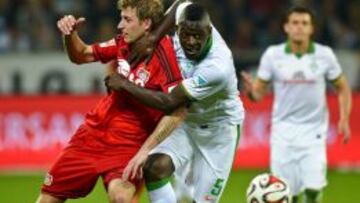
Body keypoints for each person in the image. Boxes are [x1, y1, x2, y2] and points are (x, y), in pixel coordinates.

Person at [35, 0, 183, 202]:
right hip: (92, 133)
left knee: (120, 197)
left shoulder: (166, 56)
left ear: (146, 23)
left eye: (126, 19)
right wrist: (70, 35)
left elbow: (178, 110)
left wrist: (145, 150)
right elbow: (81, 55)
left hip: (129, 142)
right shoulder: (123, 41)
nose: (119, 25)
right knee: (47, 199)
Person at [106, 2, 245, 203]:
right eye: (185, 35)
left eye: (198, 37)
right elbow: (182, 3)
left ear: (209, 32)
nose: (191, 42)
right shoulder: (187, 17)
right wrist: (153, 38)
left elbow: (169, 102)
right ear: (178, 28)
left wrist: (125, 85)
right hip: (186, 122)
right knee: (154, 168)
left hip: (218, 131)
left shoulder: (217, 67)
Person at [241, 6, 352, 203]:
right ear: (286, 27)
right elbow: (258, 94)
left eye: (304, 23)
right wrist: (251, 91)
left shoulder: (324, 55)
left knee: (313, 190)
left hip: (314, 132)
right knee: (285, 193)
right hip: (283, 132)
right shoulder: (273, 55)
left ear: (311, 29)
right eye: (295, 23)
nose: (299, 27)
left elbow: (342, 87)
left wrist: (344, 118)